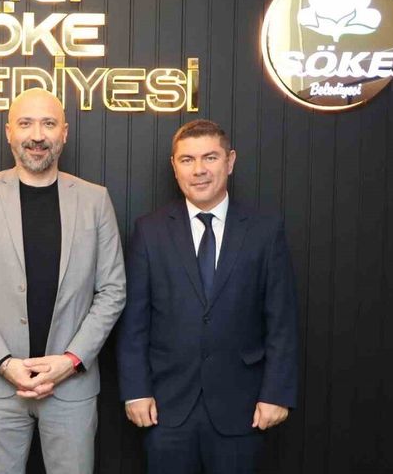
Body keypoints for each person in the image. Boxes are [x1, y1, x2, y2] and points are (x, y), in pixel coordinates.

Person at [0, 88, 126, 474]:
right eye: (26, 123)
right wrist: (3, 363)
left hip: (72, 388)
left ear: (65, 132)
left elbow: (113, 291)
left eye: (48, 124)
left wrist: (71, 362)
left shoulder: (95, 201)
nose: (37, 135)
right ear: (9, 132)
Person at [117, 119, 297, 474]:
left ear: (230, 161)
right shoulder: (149, 231)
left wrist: (276, 393)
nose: (198, 170)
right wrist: (136, 391)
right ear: (174, 167)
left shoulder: (265, 230)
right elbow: (134, 322)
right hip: (165, 409)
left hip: (243, 408)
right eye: (187, 160)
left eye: (210, 157)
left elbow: (282, 321)